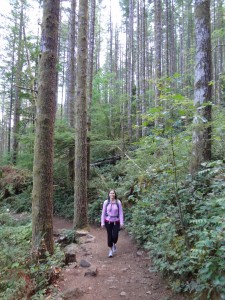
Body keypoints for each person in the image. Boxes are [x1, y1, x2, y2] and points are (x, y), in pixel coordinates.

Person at [101, 189, 124, 257]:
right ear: (109, 194)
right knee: (109, 235)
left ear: (115, 194)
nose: (112, 194)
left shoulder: (118, 202)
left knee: (115, 235)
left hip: (116, 221)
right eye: (111, 193)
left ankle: (114, 243)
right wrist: (102, 222)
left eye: (113, 193)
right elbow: (103, 213)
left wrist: (121, 222)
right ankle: (110, 250)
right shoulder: (106, 202)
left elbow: (121, 213)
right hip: (108, 221)